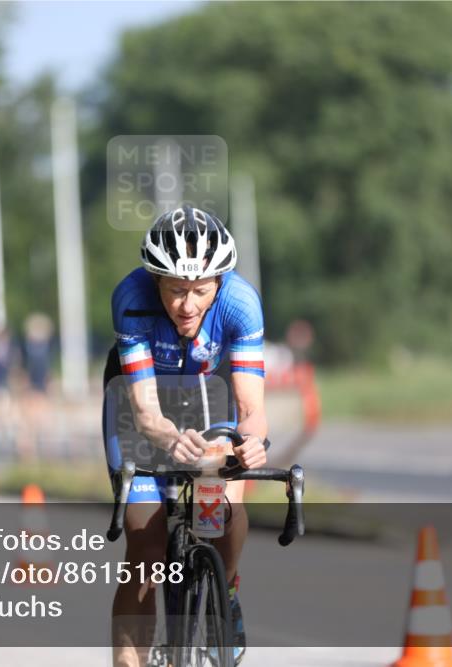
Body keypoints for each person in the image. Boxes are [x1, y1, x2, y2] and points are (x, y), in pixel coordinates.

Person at [103, 206, 268, 666]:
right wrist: (169, 439)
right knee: (145, 543)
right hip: (139, 407)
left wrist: (251, 442)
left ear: (220, 282)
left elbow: (251, 408)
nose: (187, 305)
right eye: (176, 290)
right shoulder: (132, 298)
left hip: (209, 398)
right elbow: (145, 411)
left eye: (200, 290)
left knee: (222, 510)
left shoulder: (240, 302)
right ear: (156, 280)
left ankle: (225, 591)